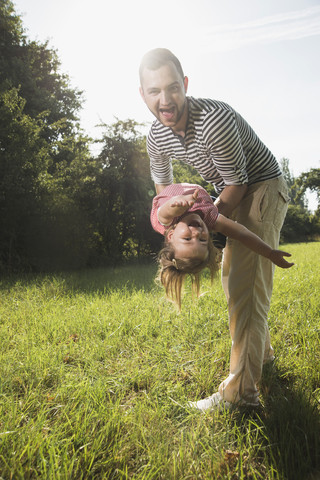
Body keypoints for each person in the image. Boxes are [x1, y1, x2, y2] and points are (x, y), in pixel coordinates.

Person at [139, 48, 291, 410]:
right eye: (154, 91)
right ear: (142, 95)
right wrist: (172, 220)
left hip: (260, 188)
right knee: (233, 282)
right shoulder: (156, 137)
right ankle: (262, 355)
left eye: (173, 88)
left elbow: (236, 186)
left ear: (185, 85)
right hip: (228, 193)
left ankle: (241, 395)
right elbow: (162, 191)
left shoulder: (213, 121)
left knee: (246, 288)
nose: (165, 99)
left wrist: (206, 217)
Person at [151, 182, 293, 311]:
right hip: (204, 199)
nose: (196, 233)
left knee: (161, 175)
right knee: (237, 187)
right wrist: (269, 252)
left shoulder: (167, 222)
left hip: (166, 190)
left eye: (187, 238)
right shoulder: (211, 219)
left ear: (171, 236)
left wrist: (176, 204)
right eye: (202, 240)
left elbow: (165, 212)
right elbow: (242, 233)